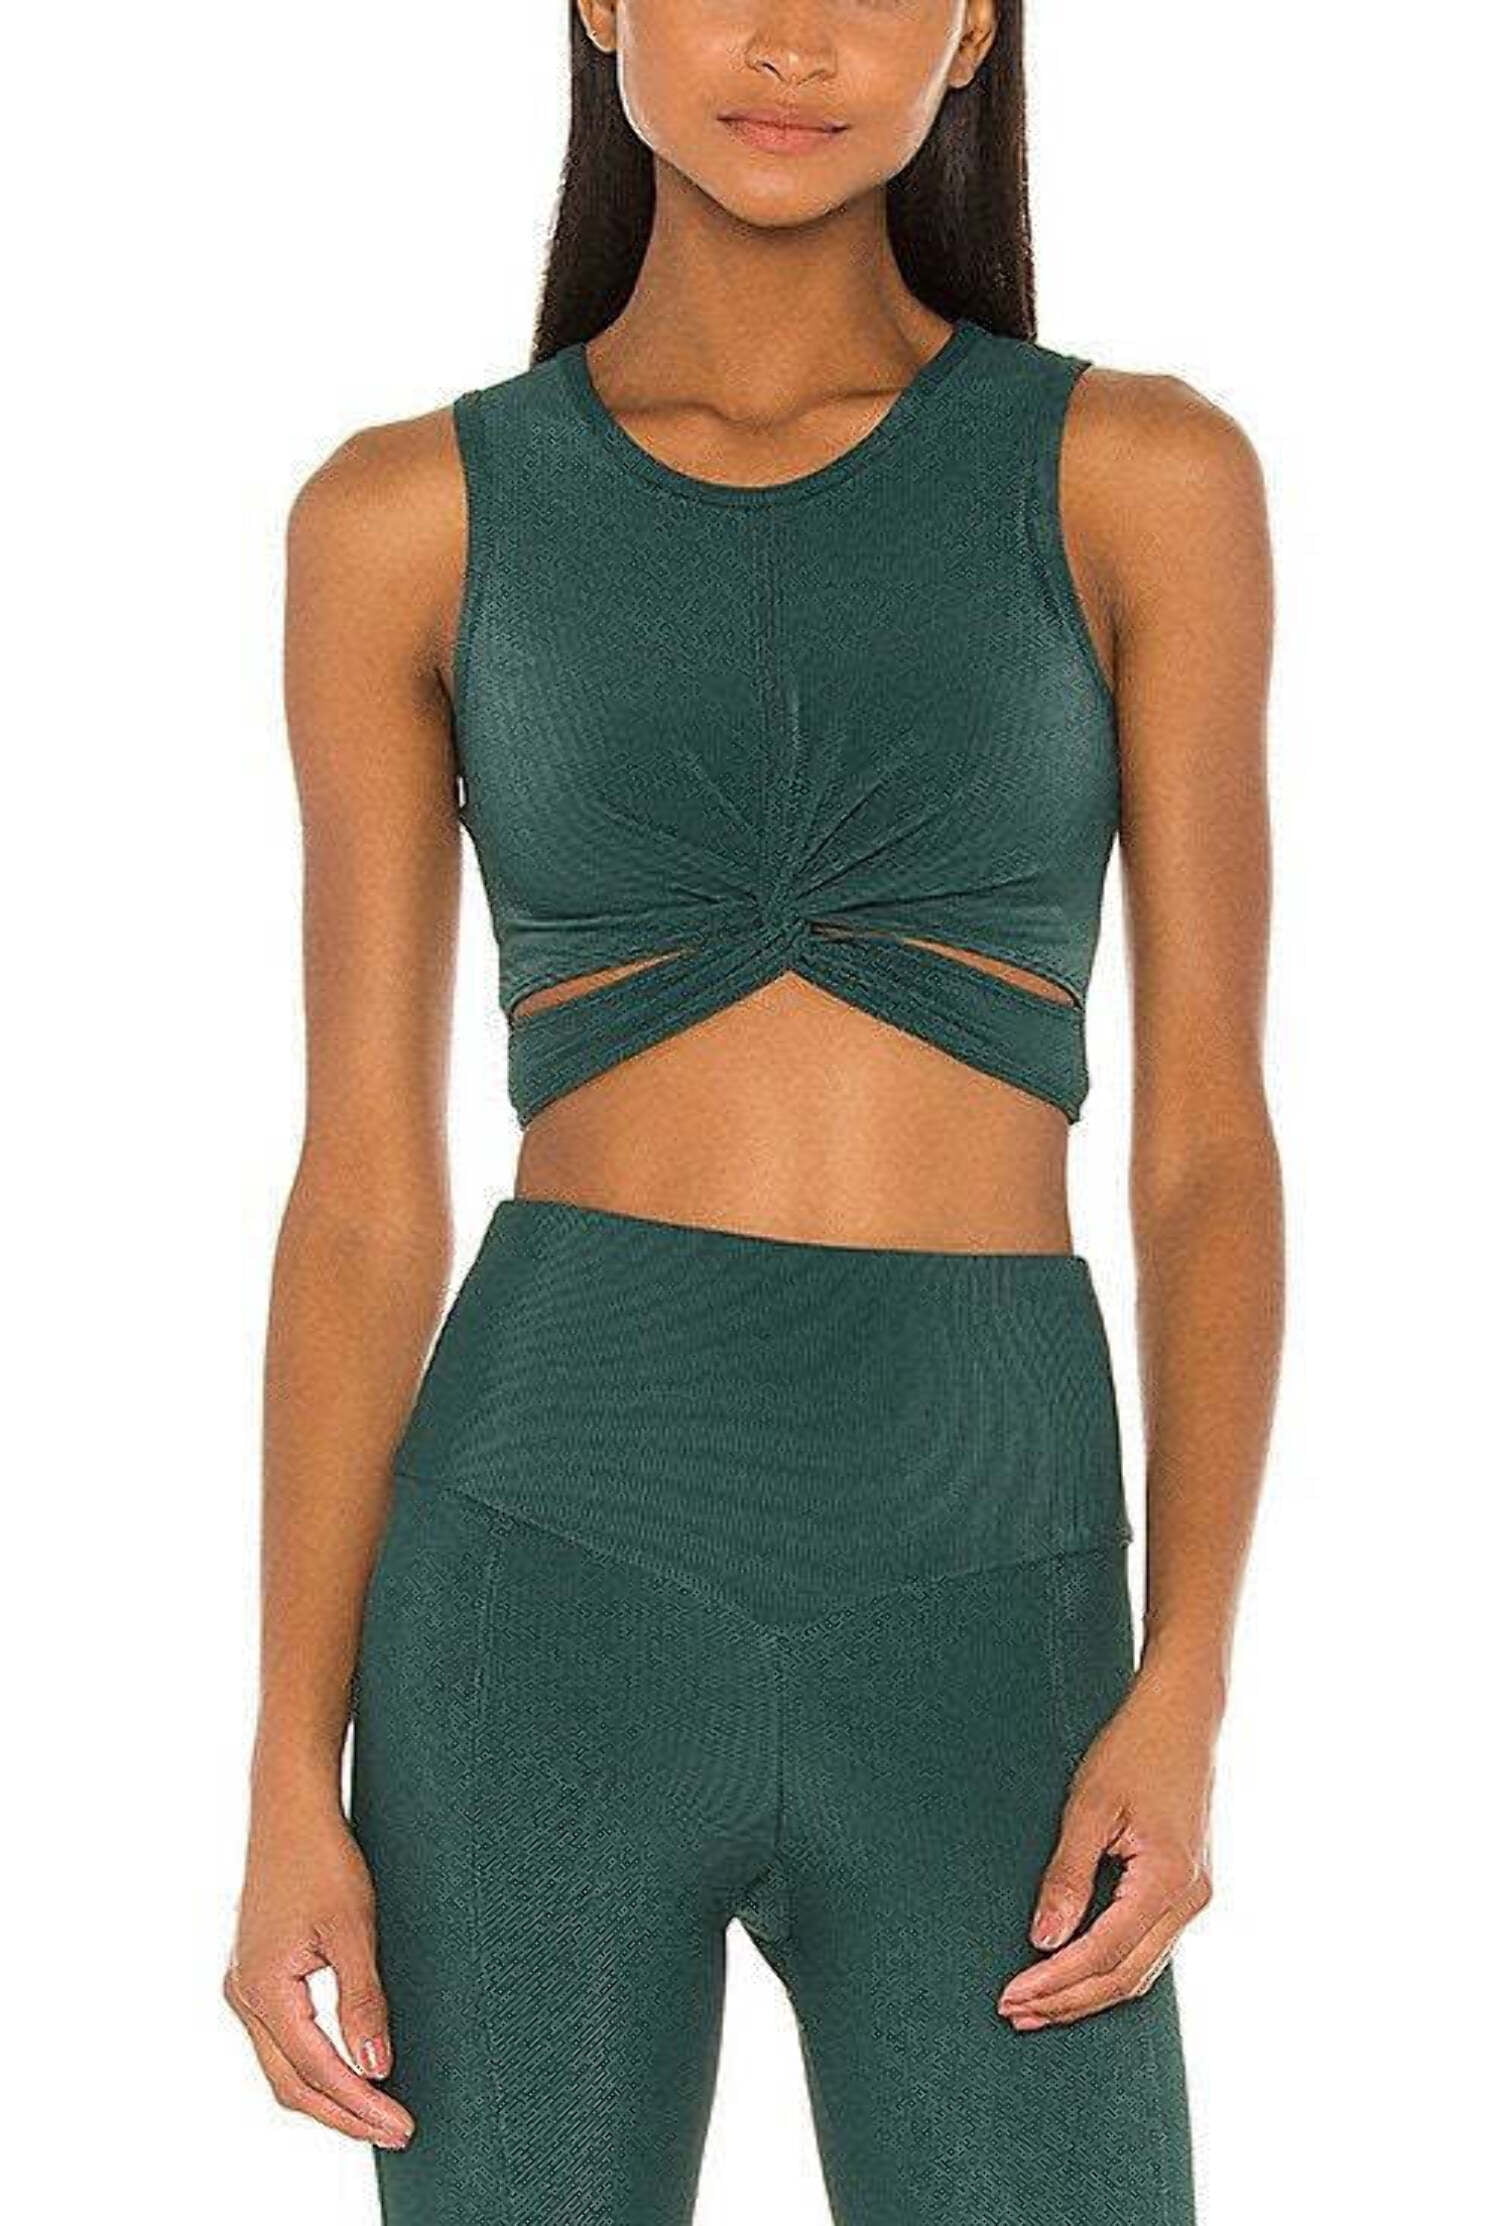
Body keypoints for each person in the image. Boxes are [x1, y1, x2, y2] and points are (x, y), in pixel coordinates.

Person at [225, 4, 1282, 2220]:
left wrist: (1187, 1675)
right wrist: (285, 1776)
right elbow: (360, 1196)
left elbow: (1204, 1151)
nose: (792, 37)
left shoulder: (1140, 477)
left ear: (973, 22)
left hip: (988, 1577)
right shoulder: (403, 517)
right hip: (539, 1573)